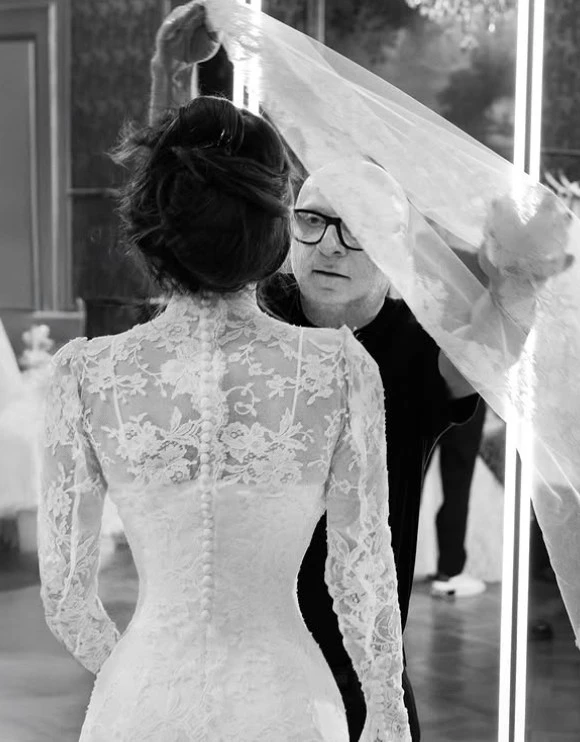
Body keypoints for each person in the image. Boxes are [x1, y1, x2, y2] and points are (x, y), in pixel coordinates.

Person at [37, 94, 411, 740]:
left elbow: (66, 597)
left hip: (142, 702)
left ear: (152, 226)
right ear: (273, 230)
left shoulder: (85, 376)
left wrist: (135, 672)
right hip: (286, 700)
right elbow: (363, 583)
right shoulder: (340, 371)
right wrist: (385, 713)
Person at [429, 397, 487, 597]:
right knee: (458, 489)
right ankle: (449, 572)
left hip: (426, 394)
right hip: (467, 397)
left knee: (407, 483)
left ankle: (390, 564)